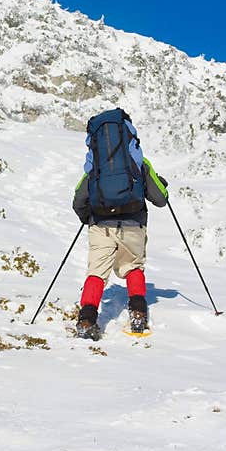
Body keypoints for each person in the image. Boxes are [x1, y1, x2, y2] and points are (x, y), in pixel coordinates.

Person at [72, 108, 168, 340]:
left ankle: (86, 319)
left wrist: (88, 217)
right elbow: (160, 199)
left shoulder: (95, 167)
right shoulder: (139, 162)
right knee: (133, 267)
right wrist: (162, 185)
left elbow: (78, 199)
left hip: (100, 224)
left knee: (96, 272)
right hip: (133, 223)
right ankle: (137, 313)